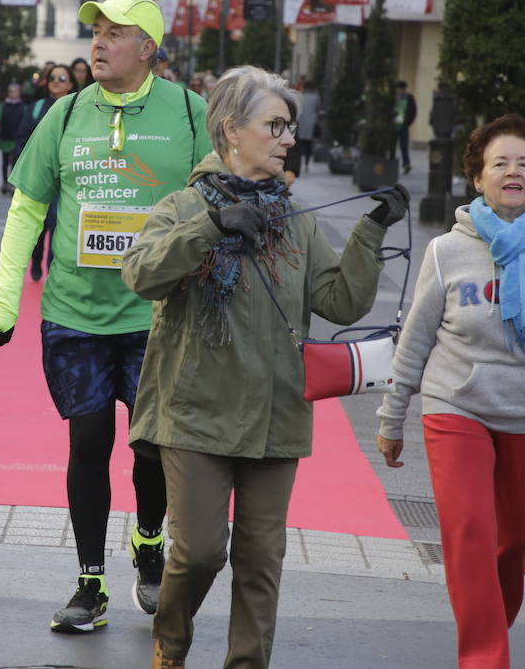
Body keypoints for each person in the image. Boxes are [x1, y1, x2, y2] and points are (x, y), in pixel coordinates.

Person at [124, 66, 408, 669]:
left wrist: (371, 231)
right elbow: (142, 273)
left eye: (290, 128)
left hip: (277, 416)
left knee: (261, 560)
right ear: (231, 131)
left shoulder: (295, 218)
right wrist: (210, 225)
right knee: (199, 552)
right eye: (274, 126)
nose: (287, 140)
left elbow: (340, 301)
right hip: (194, 412)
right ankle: (170, 646)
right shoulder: (182, 205)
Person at [0, 0, 211, 634]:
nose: (99, 43)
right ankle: (89, 583)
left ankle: (149, 538)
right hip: (74, 312)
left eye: (116, 33)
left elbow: (217, 196)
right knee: (88, 441)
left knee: (152, 443)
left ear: (148, 49)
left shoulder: (190, 114)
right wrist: (4, 301)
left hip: (158, 315)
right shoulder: (67, 112)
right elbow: (27, 207)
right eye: (96, 32)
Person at [376, 114, 525, 669]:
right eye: (500, 163)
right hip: (455, 407)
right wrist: (393, 419)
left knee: (514, 547)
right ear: (478, 178)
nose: (513, 171)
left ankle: (488, 626)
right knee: (469, 534)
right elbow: (413, 342)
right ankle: (485, 658)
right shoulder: (447, 251)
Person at [24, 63, 78, 281]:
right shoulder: (36, 108)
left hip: (65, 178)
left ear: (72, 84)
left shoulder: (79, 110)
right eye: (53, 78)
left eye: (62, 78)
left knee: (57, 223)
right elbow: (23, 139)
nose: (57, 81)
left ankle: (51, 267)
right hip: (38, 176)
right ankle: (36, 260)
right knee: (39, 225)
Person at [0, 81, 31, 195]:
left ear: (19, 93)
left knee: (15, 162)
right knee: (5, 161)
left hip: (17, 139)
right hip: (5, 137)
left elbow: (26, 123)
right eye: (11, 91)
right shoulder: (3, 106)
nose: (13, 94)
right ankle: (4, 181)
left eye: (15, 92)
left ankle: (12, 183)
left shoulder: (23, 107)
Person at [294, 75, 321, 172]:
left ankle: (299, 162)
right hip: (311, 122)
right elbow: (318, 109)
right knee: (309, 144)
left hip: (301, 121)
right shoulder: (316, 97)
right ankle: (307, 163)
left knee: (299, 143)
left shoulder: (300, 96)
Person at [393, 80, 418, 175]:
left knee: (404, 146)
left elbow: (413, 111)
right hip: (394, 125)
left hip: (403, 126)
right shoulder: (394, 98)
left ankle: (406, 164)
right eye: (398, 89)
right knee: (392, 146)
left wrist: (408, 122)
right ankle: (392, 162)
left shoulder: (409, 98)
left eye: (400, 89)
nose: (399, 91)